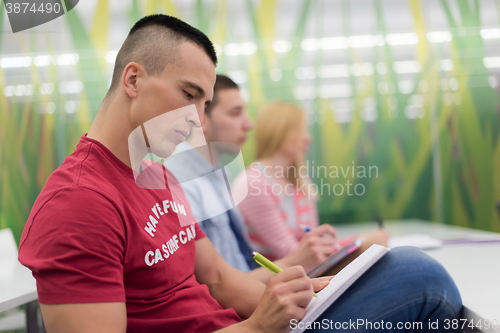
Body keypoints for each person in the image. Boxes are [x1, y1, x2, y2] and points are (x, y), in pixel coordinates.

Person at [18, 14, 462, 333]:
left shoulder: (160, 177)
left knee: (404, 274)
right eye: (188, 95)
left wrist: (308, 292)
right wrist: (258, 327)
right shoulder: (77, 204)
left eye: (204, 105)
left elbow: (221, 280)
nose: (196, 120)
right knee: (419, 276)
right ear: (133, 80)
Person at [167, 75, 342, 282]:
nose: (249, 125)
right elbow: (217, 285)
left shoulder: (219, 177)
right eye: (235, 113)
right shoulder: (180, 182)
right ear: (200, 118)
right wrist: (296, 262)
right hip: (240, 306)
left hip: (254, 291)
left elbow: (239, 272)